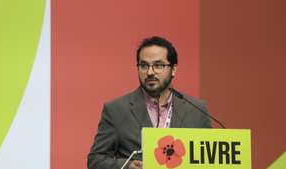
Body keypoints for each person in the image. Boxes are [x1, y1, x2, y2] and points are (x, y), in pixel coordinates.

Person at [87, 36, 211, 169]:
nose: (150, 72)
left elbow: (210, 159)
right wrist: (127, 166)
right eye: (144, 65)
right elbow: (95, 160)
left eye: (158, 65)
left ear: (173, 69)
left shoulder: (197, 110)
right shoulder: (116, 110)